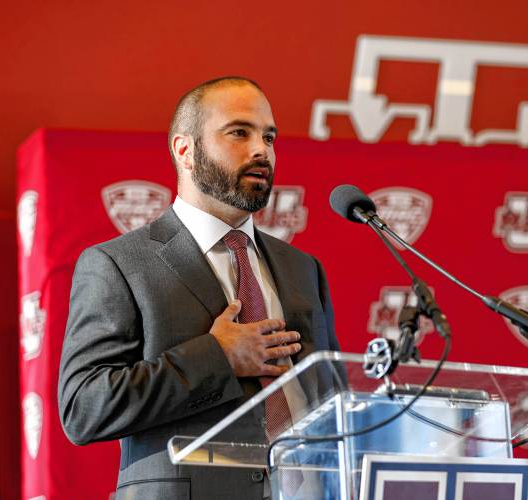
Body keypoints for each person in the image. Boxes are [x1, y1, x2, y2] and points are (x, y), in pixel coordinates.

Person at [58, 77, 339, 499]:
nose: (261, 149)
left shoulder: (303, 268)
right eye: (239, 133)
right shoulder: (119, 264)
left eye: (269, 136)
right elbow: (84, 408)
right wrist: (218, 357)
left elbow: (333, 398)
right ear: (185, 151)